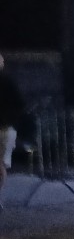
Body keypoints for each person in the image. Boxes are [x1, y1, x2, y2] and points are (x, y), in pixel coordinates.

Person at [0, 53, 25, 196]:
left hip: (4, 129)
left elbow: (18, 105)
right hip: (6, 128)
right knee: (1, 165)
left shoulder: (7, 83)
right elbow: (19, 105)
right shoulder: (8, 83)